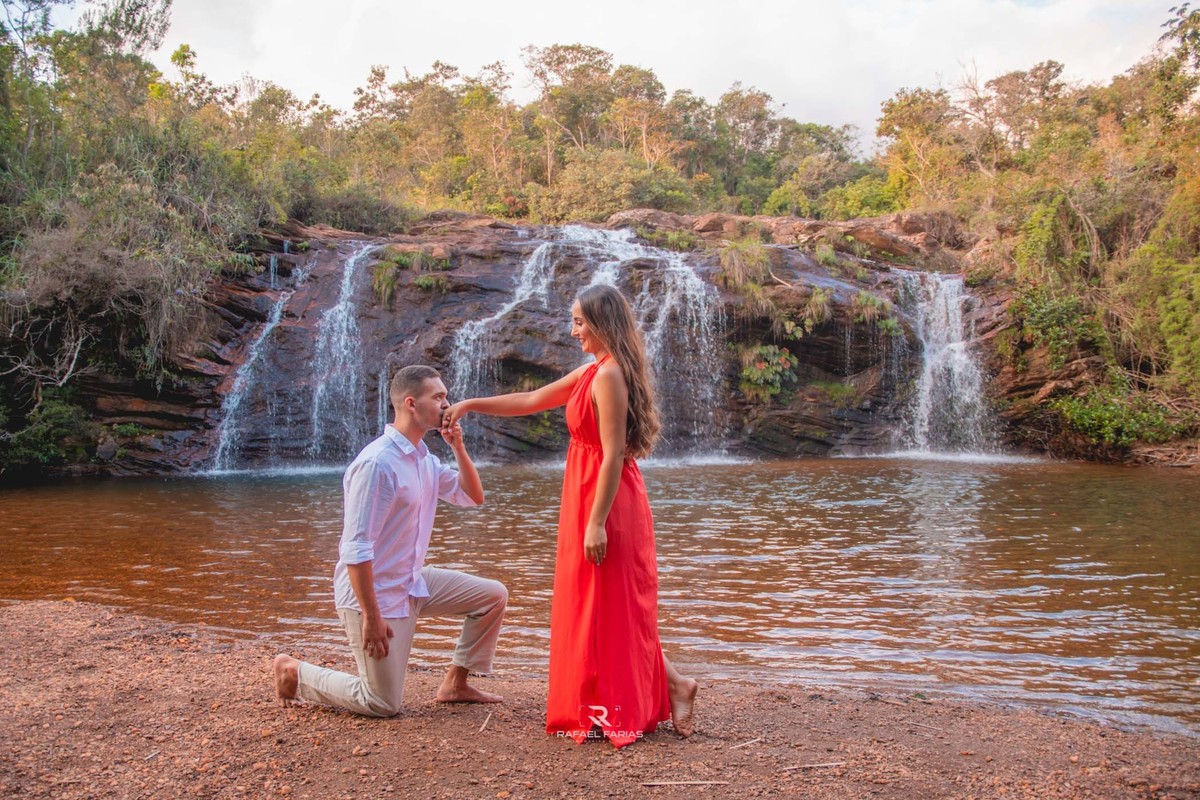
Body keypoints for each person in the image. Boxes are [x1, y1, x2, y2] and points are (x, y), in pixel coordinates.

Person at [443, 284, 698, 748]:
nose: (573, 329)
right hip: (586, 495)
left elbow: (615, 452)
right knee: (599, 605)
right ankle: (671, 684)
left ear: (602, 324)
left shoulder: (609, 376)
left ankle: (667, 687)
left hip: (607, 501)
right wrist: (470, 405)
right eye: (573, 320)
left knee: (614, 604)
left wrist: (597, 521)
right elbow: (530, 400)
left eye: (580, 321)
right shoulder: (592, 370)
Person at [273, 365, 507, 716]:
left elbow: (473, 496)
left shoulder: (423, 459)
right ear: (411, 404)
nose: (447, 405)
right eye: (438, 397)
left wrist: (457, 446)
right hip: (374, 595)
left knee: (492, 596)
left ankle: (455, 684)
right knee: (382, 703)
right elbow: (356, 548)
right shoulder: (378, 464)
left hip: (411, 583)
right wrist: (371, 615)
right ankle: (295, 673)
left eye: (446, 396)